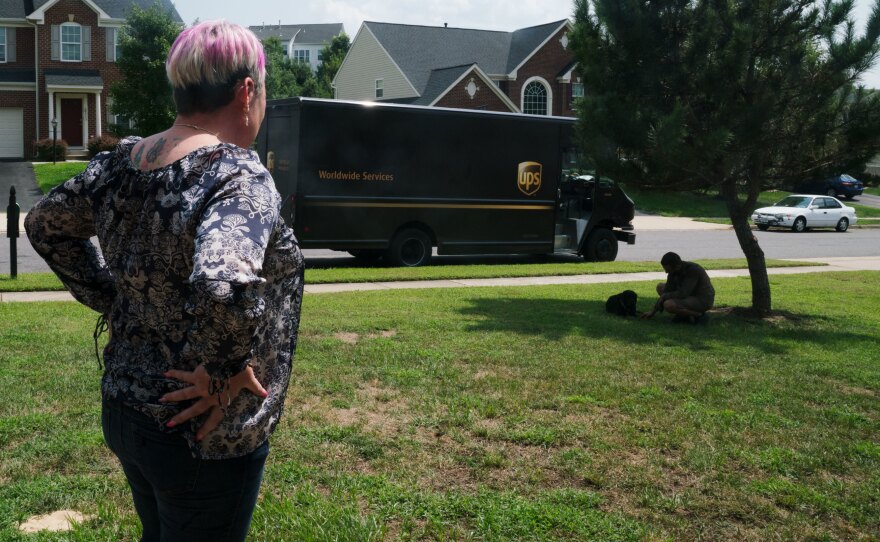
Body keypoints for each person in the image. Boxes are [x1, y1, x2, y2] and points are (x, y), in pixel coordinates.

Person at [25, 20, 303, 542]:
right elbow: (223, 284)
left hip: (127, 405)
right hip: (200, 431)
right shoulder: (236, 173)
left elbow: (44, 224)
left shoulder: (121, 163)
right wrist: (223, 372)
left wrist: (112, 297)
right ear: (247, 91)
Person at [641, 252, 714, 324]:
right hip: (689, 295)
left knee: (668, 304)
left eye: (668, 270)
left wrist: (665, 296)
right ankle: (683, 316)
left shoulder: (693, 270)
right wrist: (653, 312)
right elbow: (666, 291)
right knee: (660, 287)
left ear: (677, 266)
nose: (666, 272)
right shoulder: (673, 272)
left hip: (703, 299)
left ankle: (699, 315)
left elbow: (683, 293)